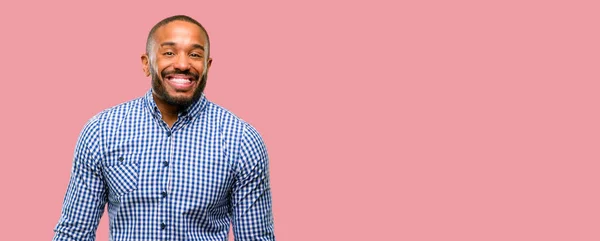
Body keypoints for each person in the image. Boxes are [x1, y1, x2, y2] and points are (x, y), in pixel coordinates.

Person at [53, 15, 275, 241]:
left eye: (195, 54)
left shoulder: (242, 140)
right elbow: (74, 233)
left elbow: (256, 237)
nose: (182, 64)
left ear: (207, 66)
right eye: (169, 52)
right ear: (146, 63)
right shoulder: (102, 131)